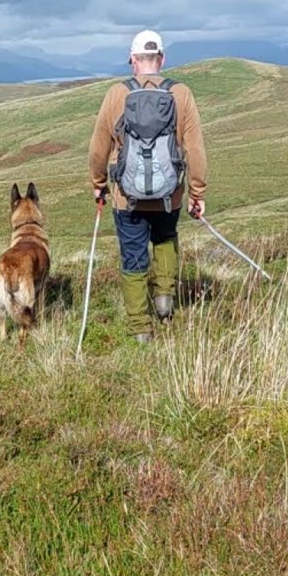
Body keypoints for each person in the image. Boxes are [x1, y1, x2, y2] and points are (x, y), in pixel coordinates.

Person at [87, 29, 207, 343]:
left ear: (133, 60)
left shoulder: (116, 94)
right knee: (165, 239)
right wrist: (197, 193)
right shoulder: (181, 94)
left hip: (126, 198)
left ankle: (141, 329)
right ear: (161, 59)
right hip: (170, 195)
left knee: (133, 254)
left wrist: (99, 184)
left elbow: (98, 149)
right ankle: (164, 301)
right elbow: (195, 149)